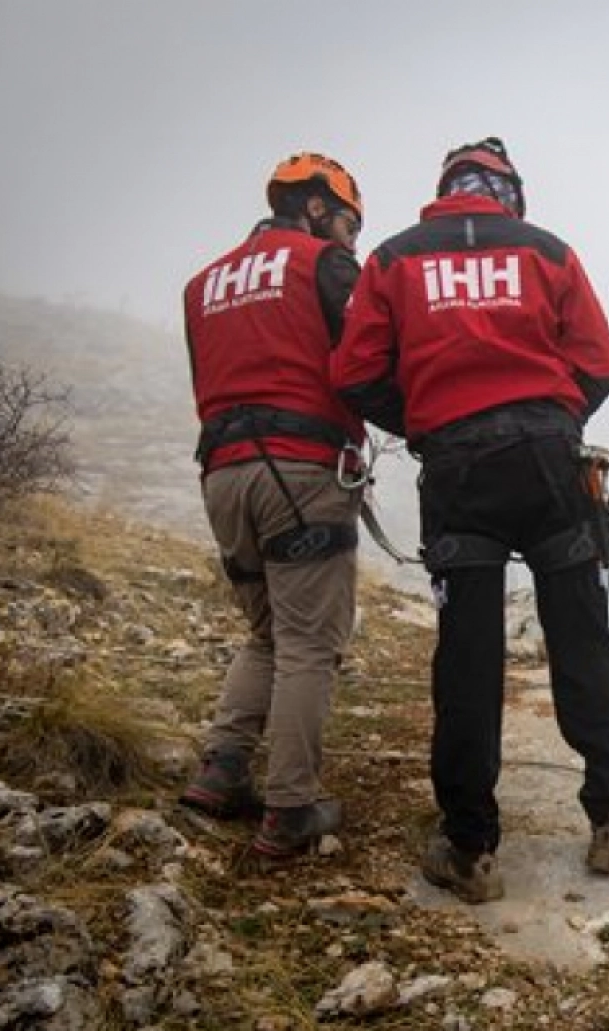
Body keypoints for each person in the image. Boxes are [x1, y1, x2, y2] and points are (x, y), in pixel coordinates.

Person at [331, 137, 609, 903]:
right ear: (510, 193)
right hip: (549, 459)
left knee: (467, 655)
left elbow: (356, 373)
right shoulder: (548, 251)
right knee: (579, 634)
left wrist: (431, 421)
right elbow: (601, 361)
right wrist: (552, 414)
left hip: (458, 467)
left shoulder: (395, 261)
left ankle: (470, 847)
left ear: (446, 190)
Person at [178, 152, 367, 859]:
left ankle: (222, 769)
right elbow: (365, 357)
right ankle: (290, 806)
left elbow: (209, 379)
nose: (352, 238)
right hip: (300, 468)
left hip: (222, 474)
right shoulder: (322, 266)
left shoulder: (203, 284)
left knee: (266, 632)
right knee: (310, 643)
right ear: (316, 207)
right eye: (348, 221)